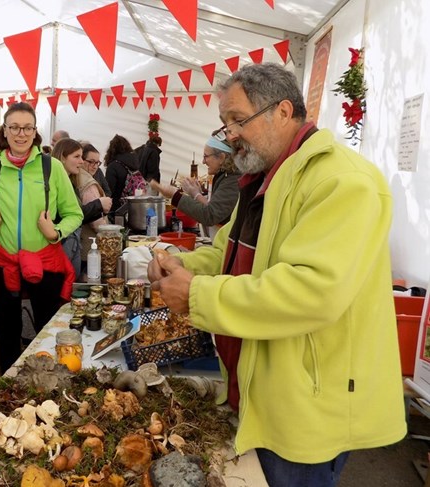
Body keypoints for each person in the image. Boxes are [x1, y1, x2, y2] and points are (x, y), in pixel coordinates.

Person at [147, 63, 406, 486]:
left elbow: (309, 292)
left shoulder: (342, 181)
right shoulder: (265, 177)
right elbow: (228, 254)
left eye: (238, 120)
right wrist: (183, 264)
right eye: (224, 123)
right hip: (260, 391)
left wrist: (196, 296)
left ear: (283, 112)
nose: (229, 134)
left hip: (306, 409)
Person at [0, 102, 83, 373]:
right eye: (15, 128)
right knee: (8, 331)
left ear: (35, 132)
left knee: (48, 328)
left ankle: (53, 389)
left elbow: (74, 214)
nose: (21, 134)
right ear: (5, 132)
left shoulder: (52, 168)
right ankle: (13, 396)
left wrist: (55, 232)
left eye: (27, 128)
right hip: (2, 262)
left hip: (45, 260)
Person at [150, 134, 240, 238]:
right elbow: (214, 205)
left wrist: (175, 195)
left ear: (221, 157)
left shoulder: (232, 180)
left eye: (206, 156)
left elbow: (211, 215)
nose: (203, 161)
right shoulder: (224, 176)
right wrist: (198, 194)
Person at [52, 138, 110, 277]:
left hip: (73, 244)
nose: (81, 161)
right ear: (63, 158)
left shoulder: (72, 181)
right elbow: (69, 215)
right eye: (77, 156)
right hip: (63, 244)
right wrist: (98, 205)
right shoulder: (55, 183)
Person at [104, 134, 144, 210]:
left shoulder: (113, 166)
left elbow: (109, 191)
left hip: (117, 209)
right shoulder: (136, 164)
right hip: (134, 207)